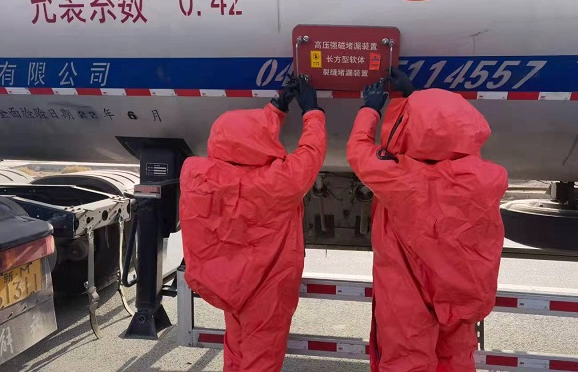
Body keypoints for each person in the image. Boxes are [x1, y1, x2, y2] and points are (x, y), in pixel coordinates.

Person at [347, 68, 508, 372]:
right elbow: (442, 133)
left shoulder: (401, 179)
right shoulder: (487, 180)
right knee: (455, 359)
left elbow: (359, 151)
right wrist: (410, 98)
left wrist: (371, 109)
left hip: (408, 294)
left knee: (406, 360)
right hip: (461, 294)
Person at [179, 77, 327, 372]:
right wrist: (312, 111)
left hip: (229, 283)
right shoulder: (276, 182)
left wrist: (276, 109)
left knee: (236, 347)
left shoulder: (195, 175)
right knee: (261, 358)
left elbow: (241, 138)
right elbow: (311, 153)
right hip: (266, 288)